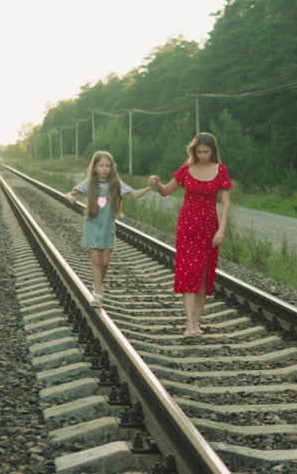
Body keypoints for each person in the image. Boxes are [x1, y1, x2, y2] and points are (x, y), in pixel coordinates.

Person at [148, 132, 232, 337]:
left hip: (210, 228)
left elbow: (226, 202)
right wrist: (156, 183)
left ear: (213, 151)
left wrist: (221, 230)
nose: (203, 155)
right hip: (187, 227)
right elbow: (166, 191)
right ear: (193, 151)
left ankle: (196, 321)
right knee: (188, 273)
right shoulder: (186, 170)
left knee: (203, 275)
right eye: (199, 151)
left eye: (206, 151)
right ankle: (189, 324)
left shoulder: (221, 170)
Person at [66, 150, 149, 305]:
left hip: (107, 228)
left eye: (108, 166)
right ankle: (98, 292)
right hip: (92, 226)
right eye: (101, 166)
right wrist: (70, 196)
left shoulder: (116, 184)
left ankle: (98, 285)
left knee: (105, 262)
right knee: (96, 261)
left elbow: (135, 194)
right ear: (95, 167)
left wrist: (150, 187)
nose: (105, 169)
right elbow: (71, 193)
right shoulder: (89, 183)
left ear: (112, 168)